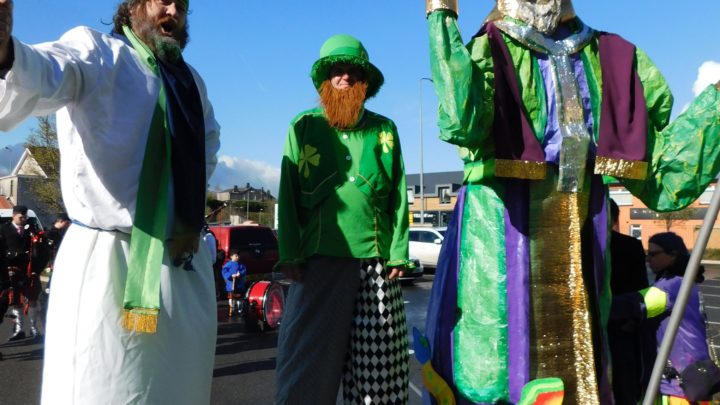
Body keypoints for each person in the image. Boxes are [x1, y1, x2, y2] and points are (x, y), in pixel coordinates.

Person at [423, 0, 720, 403]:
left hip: (582, 247)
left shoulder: (613, 58)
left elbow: (665, 174)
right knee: (492, 376)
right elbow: (462, 122)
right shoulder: (489, 47)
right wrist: (441, 17)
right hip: (497, 249)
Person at [0, 0, 221, 403]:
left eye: (183, 4)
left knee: (181, 392)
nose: (174, 10)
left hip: (181, 264)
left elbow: (208, 146)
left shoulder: (192, 83)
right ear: (134, 5)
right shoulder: (98, 53)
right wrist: (5, 53)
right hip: (108, 264)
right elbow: (46, 71)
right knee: (104, 388)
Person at [275, 34, 412, 404]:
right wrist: (289, 252)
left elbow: (399, 193)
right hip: (318, 262)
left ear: (364, 81)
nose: (345, 77)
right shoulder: (303, 126)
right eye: (337, 70)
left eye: (354, 71)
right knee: (307, 369)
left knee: (380, 375)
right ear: (325, 78)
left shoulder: (385, 129)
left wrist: (398, 251)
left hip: (376, 264)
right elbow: (287, 194)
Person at [612, 232, 712, 403]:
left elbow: (634, 304)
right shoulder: (685, 282)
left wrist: (597, 303)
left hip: (678, 386)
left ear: (673, 255)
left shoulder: (672, 285)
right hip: (693, 377)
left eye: (653, 254)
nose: (647, 259)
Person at [608, 199, 651, 404]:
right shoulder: (631, 245)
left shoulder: (583, 244)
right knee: (623, 380)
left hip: (612, 322)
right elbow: (641, 287)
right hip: (622, 322)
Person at [0, 205, 33, 341]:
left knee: (24, 299)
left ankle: (22, 329)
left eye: (25, 217)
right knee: (12, 299)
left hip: (24, 268)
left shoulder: (28, 229)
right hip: (8, 268)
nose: (24, 219)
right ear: (14, 215)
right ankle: (18, 328)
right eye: (21, 217)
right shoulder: (4, 228)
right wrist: (9, 255)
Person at [221, 251, 246, 317]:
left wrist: (240, 274)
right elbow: (224, 272)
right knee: (231, 298)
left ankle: (240, 310)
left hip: (239, 284)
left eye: (238, 256)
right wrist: (231, 275)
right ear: (231, 257)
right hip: (231, 284)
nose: (237, 257)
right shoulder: (228, 264)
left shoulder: (240, 264)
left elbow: (244, 270)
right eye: (236, 256)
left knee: (239, 298)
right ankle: (232, 309)